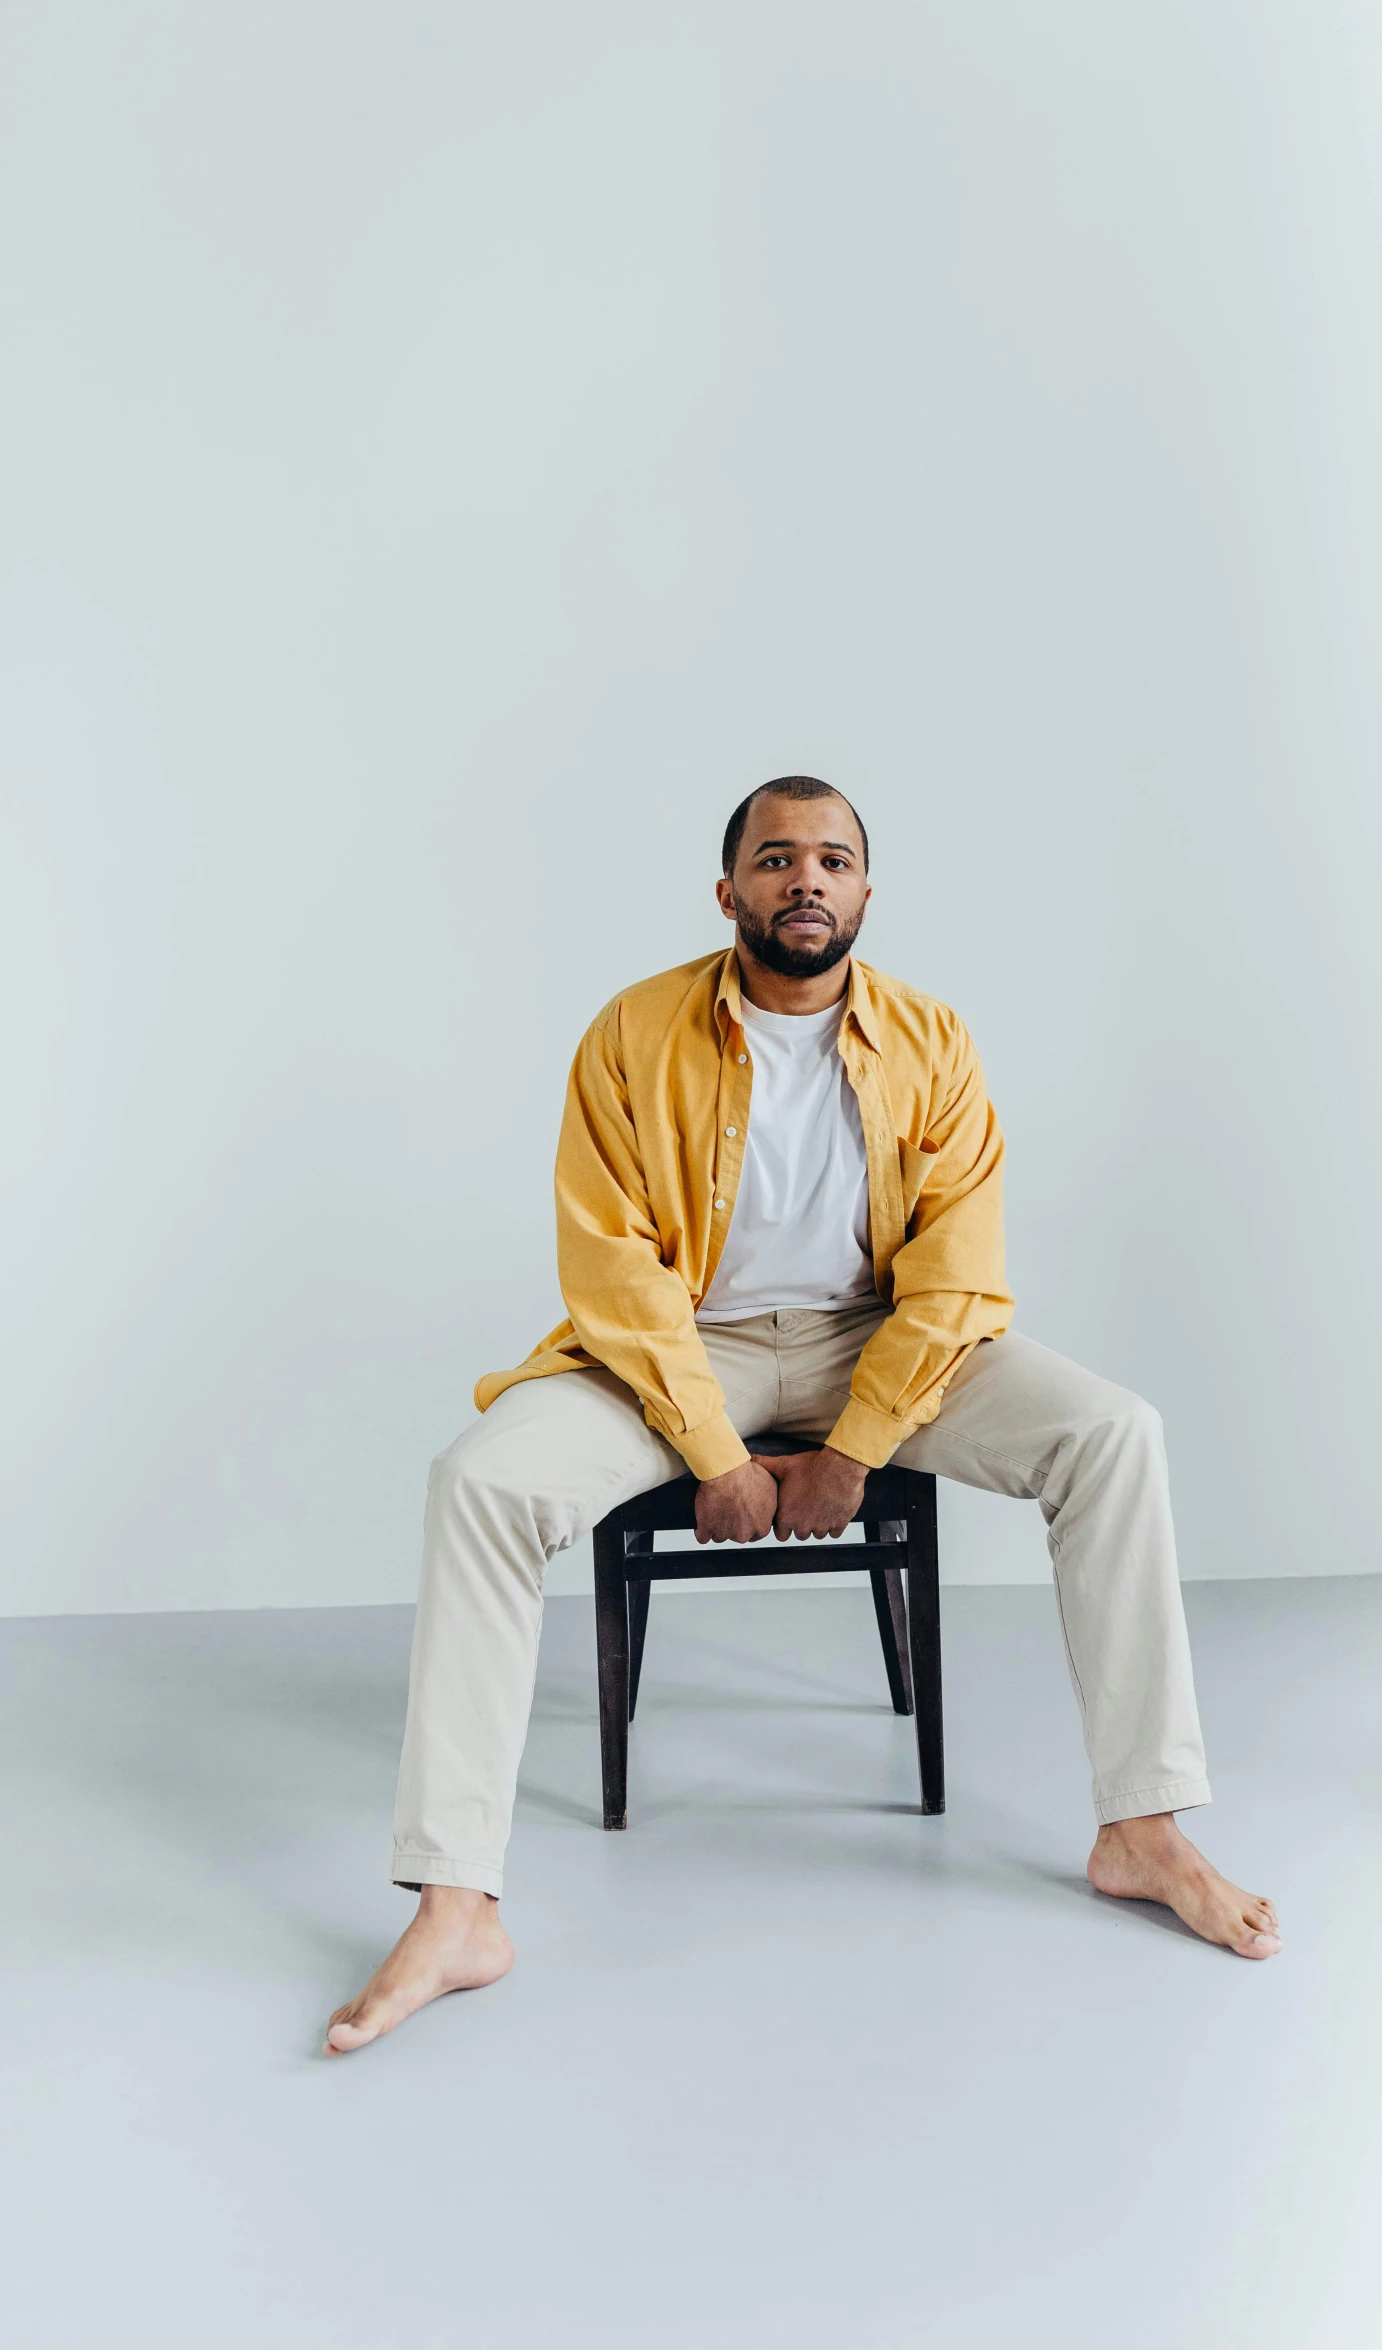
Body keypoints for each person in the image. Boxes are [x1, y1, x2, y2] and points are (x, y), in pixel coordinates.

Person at [326, 775, 1280, 2053]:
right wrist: (716, 1453)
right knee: (481, 1482)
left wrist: (856, 1449)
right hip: (679, 1348)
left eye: (833, 860)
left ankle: (1144, 1828)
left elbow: (954, 1277)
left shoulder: (932, 1039)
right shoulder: (631, 1031)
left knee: (1113, 1432)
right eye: (776, 860)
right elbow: (611, 1269)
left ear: (867, 892)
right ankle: (456, 1905)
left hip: (874, 1345)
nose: (806, 880)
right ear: (729, 893)